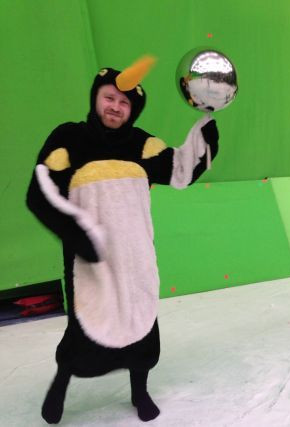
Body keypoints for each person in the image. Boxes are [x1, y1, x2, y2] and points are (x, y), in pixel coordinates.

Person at [26, 56, 219, 423]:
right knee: (84, 330)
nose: (115, 107)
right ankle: (62, 382)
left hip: (135, 258)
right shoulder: (69, 138)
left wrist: (204, 136)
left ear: (133, 109)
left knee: (140, 323)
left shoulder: (143, 144)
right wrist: (77, 235)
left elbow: (180, 169)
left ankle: (139, 390)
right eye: (109, 97)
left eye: (124, 102)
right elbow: (41, 191)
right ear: (96, 98)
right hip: (90, 260)